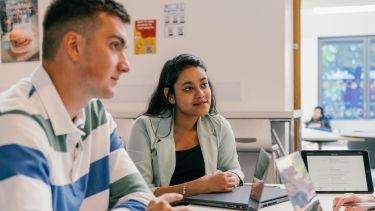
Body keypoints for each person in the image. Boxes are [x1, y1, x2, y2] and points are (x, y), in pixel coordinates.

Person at [0, 1, 189, 210]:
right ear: (74, 46)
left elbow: (139, 195)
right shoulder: (15, 123)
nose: (126, 65)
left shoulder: (96, 115)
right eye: (114, 46)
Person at [127, 54, 244, 198]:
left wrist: (231, 178)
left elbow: (235, 170)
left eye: (203, 85)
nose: (200, 94)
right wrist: (198, 186)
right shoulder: (144, 127)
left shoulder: (218, 124)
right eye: (188, 88)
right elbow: (139, 192)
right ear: (170, 96)